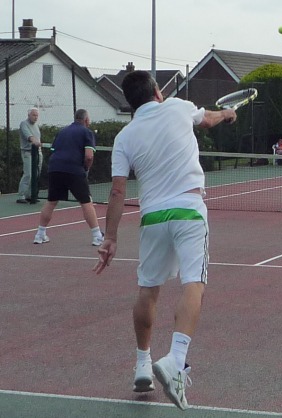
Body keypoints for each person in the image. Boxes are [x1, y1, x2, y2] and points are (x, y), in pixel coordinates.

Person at [92, 70, 237, 410]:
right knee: (193, 283)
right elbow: (210, 119)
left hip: (152, 218)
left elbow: (117, 189)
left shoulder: (125, 137)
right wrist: (228, 114)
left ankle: (143, 364)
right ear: (157, 91)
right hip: (188, 211)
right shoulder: (178, 107)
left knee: (148, 289)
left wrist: (109, 237)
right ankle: (175, 359)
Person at [33, 109, 104, 246]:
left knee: (51, 201)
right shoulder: (87, 132)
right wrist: (86, 168)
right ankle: (97, 236)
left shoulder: (62, 132)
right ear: (86, 120)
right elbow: (89, 156)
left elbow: (53, 151)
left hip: (55, 168)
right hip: (74, 170)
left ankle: (39, 234)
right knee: (86, 201)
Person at [17, 108, 42, 203]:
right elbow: (29, 136)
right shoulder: (24, 124)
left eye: (37, 115)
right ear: (29, 115)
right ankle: (22, 195)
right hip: (27, 152)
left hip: (38, 153)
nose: (35, 117)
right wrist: (34, 141)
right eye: (34, 115)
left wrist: (39, 145)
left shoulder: (36, 126)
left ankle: (31, 195)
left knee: (36, 174)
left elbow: (38, 139)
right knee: (28, 173)